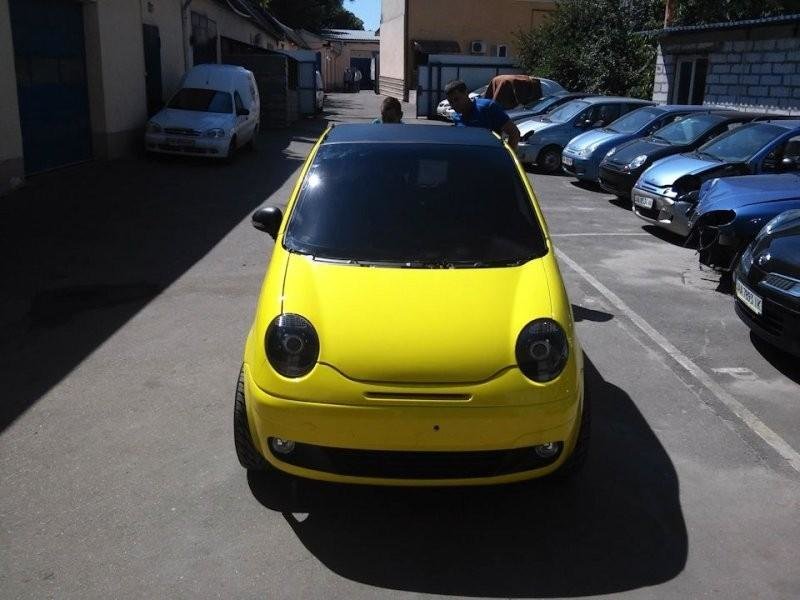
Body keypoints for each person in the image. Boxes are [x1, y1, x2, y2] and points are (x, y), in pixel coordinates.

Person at [444, 79, 521, 150]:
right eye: (450, 102)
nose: (453, 105)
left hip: (489, 161)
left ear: (466, 93)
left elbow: (514, 133)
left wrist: (507, 158)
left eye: (456, 99)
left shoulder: (487, 107)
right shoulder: (456, 117)